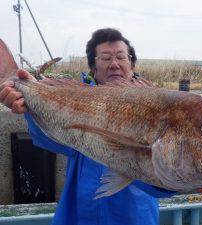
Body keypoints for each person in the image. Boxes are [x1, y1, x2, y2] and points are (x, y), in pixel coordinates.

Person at [0, 28, 176, 225]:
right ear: (93, 68)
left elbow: (161, 181)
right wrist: (27, 102)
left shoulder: (157, 108)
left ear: (132, 64)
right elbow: (48, 139)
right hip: (77, 217)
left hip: (134, 218)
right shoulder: (79, 104)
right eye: (105, 58)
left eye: (121, 57)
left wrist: (191, 177)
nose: (114, 65)